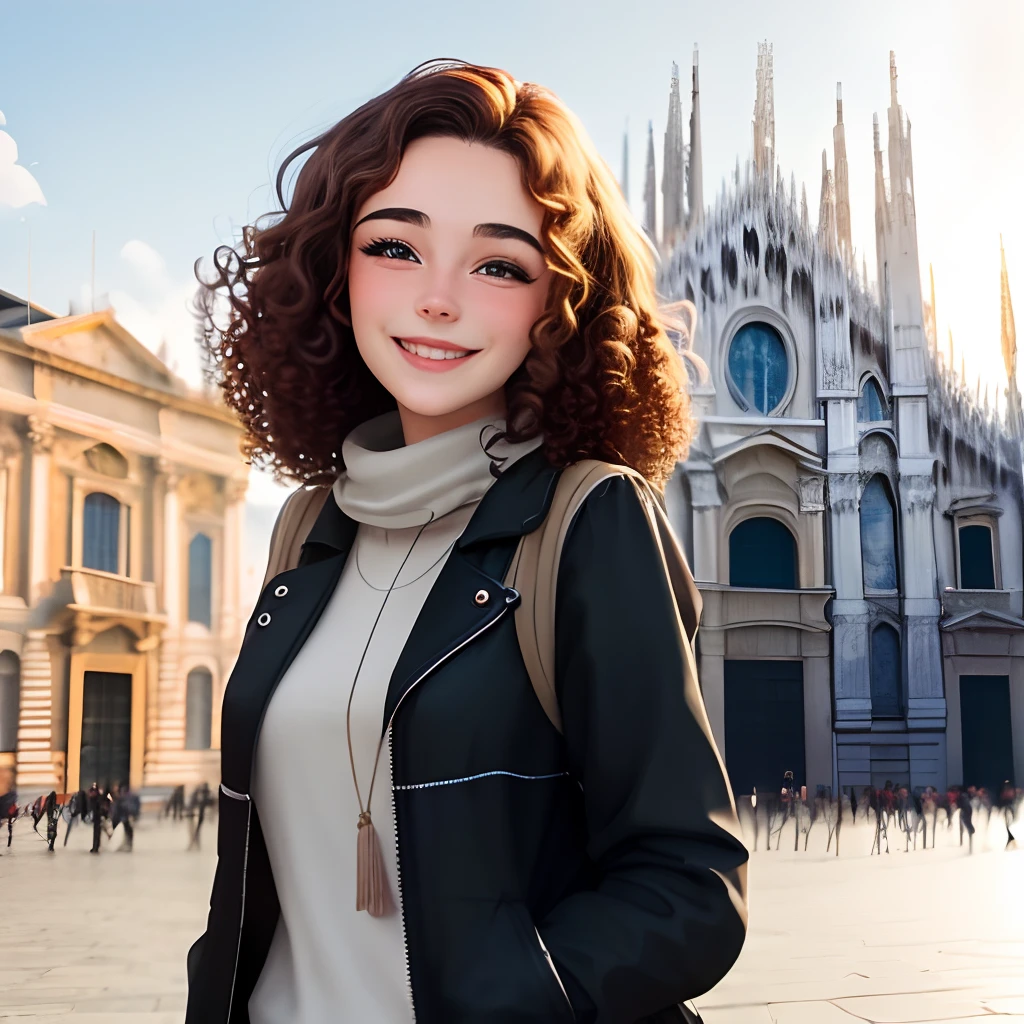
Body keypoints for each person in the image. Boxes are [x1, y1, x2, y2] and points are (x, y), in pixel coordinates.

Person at [184, 59, 748, 1024]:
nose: (438, 299)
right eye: (395, 247)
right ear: (333, 271)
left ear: (558, 303)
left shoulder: (590, 519)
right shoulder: (308, 528)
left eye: (498, 264)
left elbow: (690, 886)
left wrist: (508, 998)